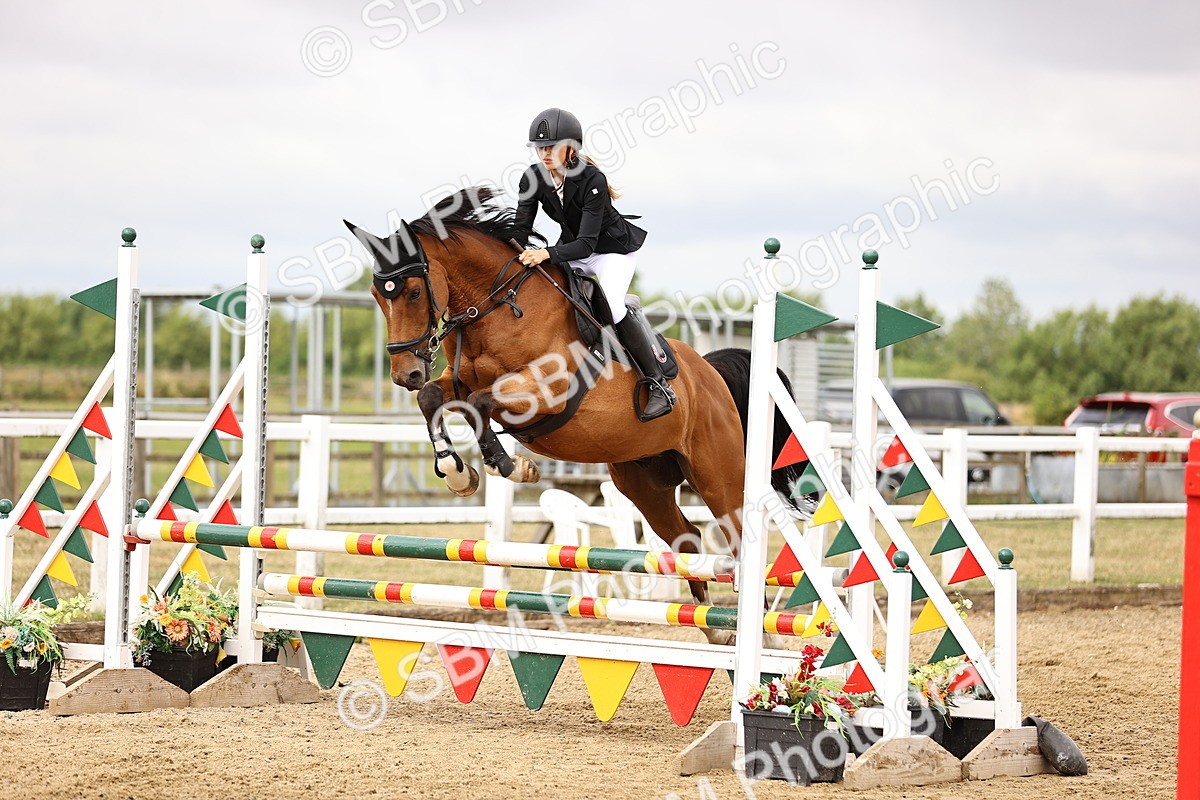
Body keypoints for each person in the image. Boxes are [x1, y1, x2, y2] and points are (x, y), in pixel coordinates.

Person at [512, 107, 676, 421]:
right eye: (540, 147)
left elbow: (587, 243)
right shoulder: (532, 178)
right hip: (571, 249)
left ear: (571, 148)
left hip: (610, 252)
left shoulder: (591, 179)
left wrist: (545, 254)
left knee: (613, 307)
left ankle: (657, 383)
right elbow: (520, 230)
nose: (544, 153)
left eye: (552, 147)